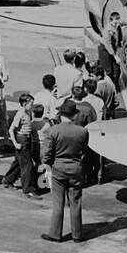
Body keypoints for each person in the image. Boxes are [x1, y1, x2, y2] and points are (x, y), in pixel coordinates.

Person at [41, 98, 89, 243]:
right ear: (74, 115)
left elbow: (46, 153)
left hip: (58, 168)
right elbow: (83, 151)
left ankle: (55, 234)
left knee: (58, 202)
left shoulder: (53, 131)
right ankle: (77, 234)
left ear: (60, 114)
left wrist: (47, 165)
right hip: (76, 168)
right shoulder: (82, 131)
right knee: (75, 202)